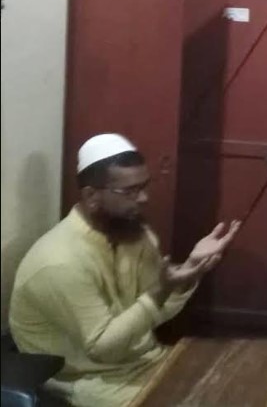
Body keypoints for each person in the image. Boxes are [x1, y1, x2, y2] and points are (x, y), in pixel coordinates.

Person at [8, 133, 240, 407]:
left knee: (241, 378)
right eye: (129, 191)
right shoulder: (60, 261)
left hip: (143, 363)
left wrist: (191, 268)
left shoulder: (135, 236)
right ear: (91, 196)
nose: (144, 198)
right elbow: (103, 349)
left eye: (144, 186)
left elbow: (154, 314)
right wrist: (157, 292)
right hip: (90, 382)